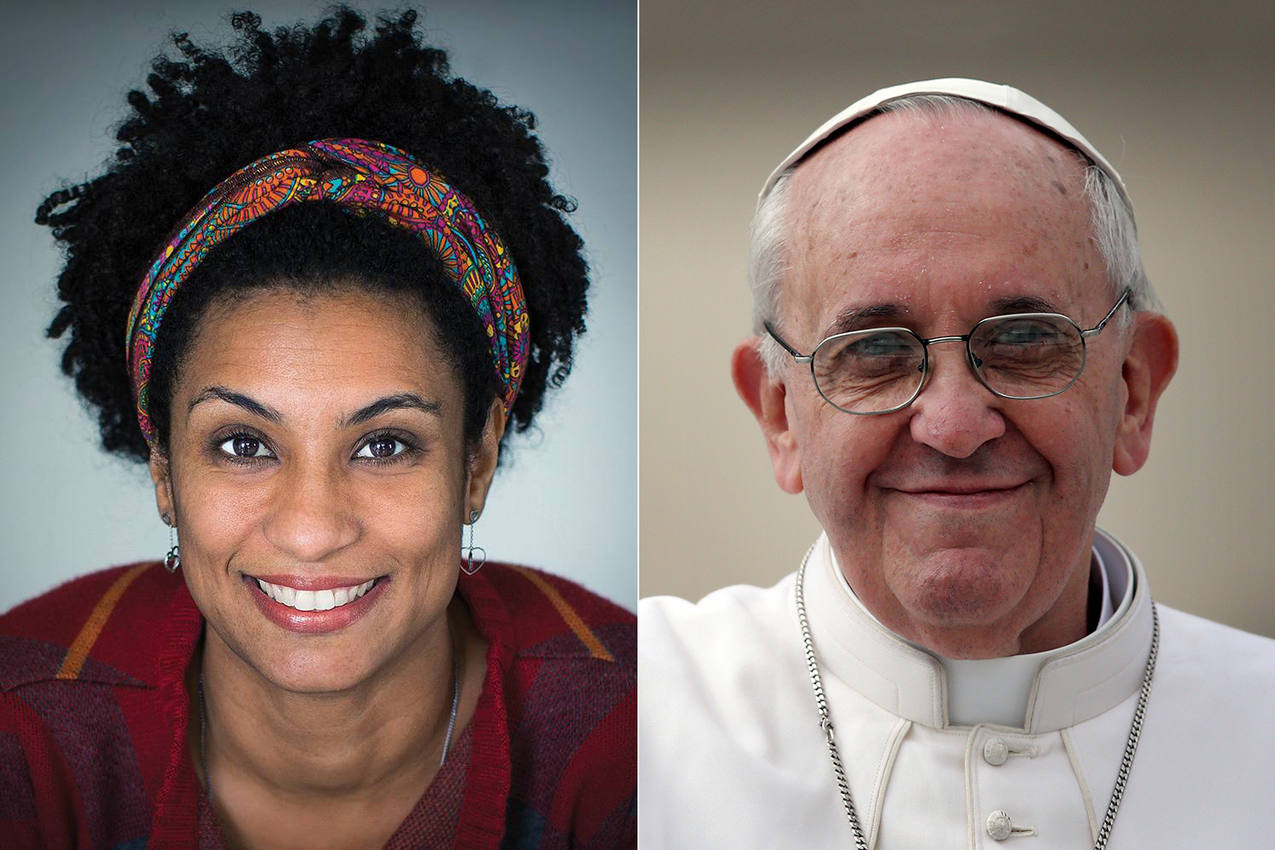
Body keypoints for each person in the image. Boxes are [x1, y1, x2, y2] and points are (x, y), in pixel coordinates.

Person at [0, 9, 635, 849]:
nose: (309, 531)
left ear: (476, 461)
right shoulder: (27, 727)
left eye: (384, 444)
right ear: (163, 468)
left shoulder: (636, 732)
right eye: (242, 444)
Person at [638, 78, 1274, 848]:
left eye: (1023, 340)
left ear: (1132, 392)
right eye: (873, 350)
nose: (952, 426)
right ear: (780, 415)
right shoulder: (630, 706)